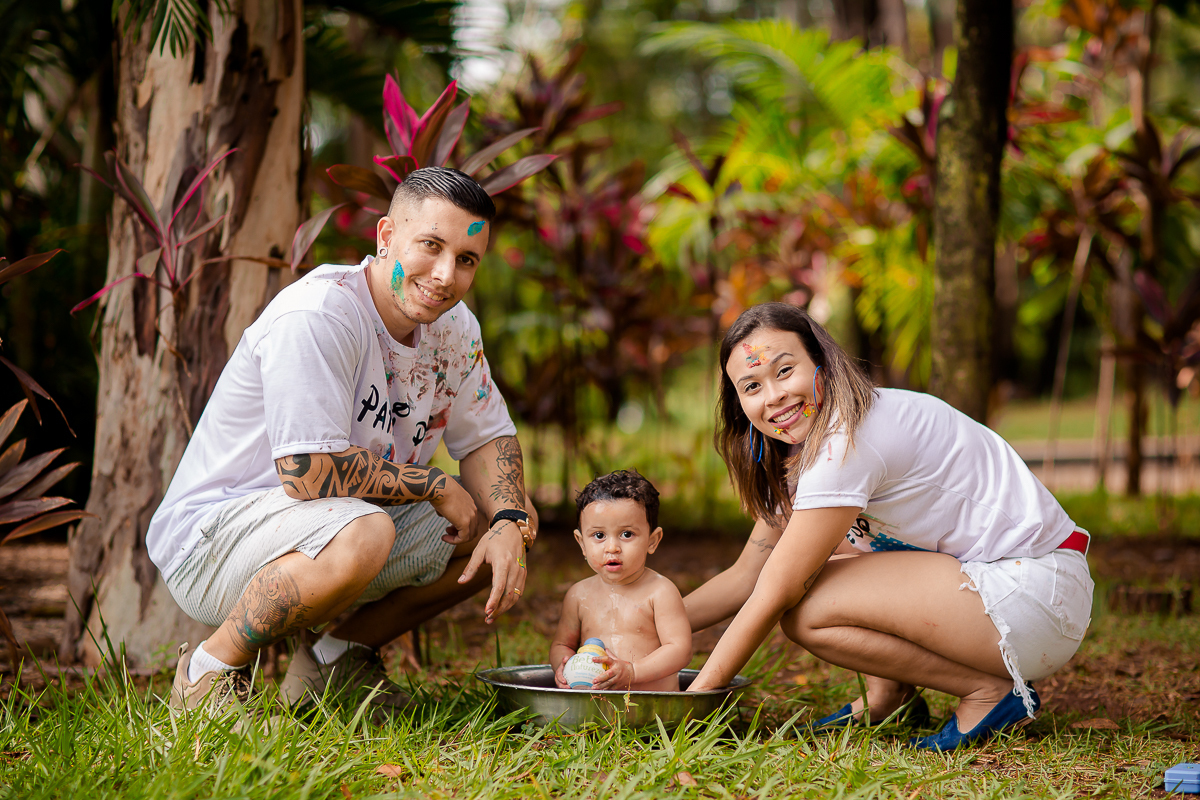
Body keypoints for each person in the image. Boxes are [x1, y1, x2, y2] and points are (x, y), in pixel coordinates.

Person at [147, 167, 536, 716]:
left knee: (511, 515)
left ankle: (334, 663)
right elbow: (307, 472)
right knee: (366, 531)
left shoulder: (454, 328)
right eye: (430, 245)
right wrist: (431, 482)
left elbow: (489, 438)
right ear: (385, 237)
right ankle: (209, 673)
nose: (446, 275)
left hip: (339, 522)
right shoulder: (320, 315)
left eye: (467, 259)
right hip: (213, 541)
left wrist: (506, 522)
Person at [683, 302, 1094, 750]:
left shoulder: (848, 441)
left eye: (785, 371)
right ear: (739, 403)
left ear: (821, 362)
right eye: (752, 386)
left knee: (803, 602)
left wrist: (696, 701)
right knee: (817, 558)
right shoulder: (806, 449)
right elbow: (747, 575)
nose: (774, 395)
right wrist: (646, 631)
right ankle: (888, 695)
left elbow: (773, 589)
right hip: (1015, 599)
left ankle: (988, 692)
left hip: (1033, 595)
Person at [550, 470, 692, 692]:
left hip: (651, 706)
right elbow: (562, 645)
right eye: (599, 535)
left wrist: (633, 671)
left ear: (652, 541)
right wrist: (563, 666)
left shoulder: (660, 592)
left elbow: (679, 649)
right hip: (595, 707)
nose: (612, 547)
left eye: (627, 534)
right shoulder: (579, 595)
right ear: (581, 543)